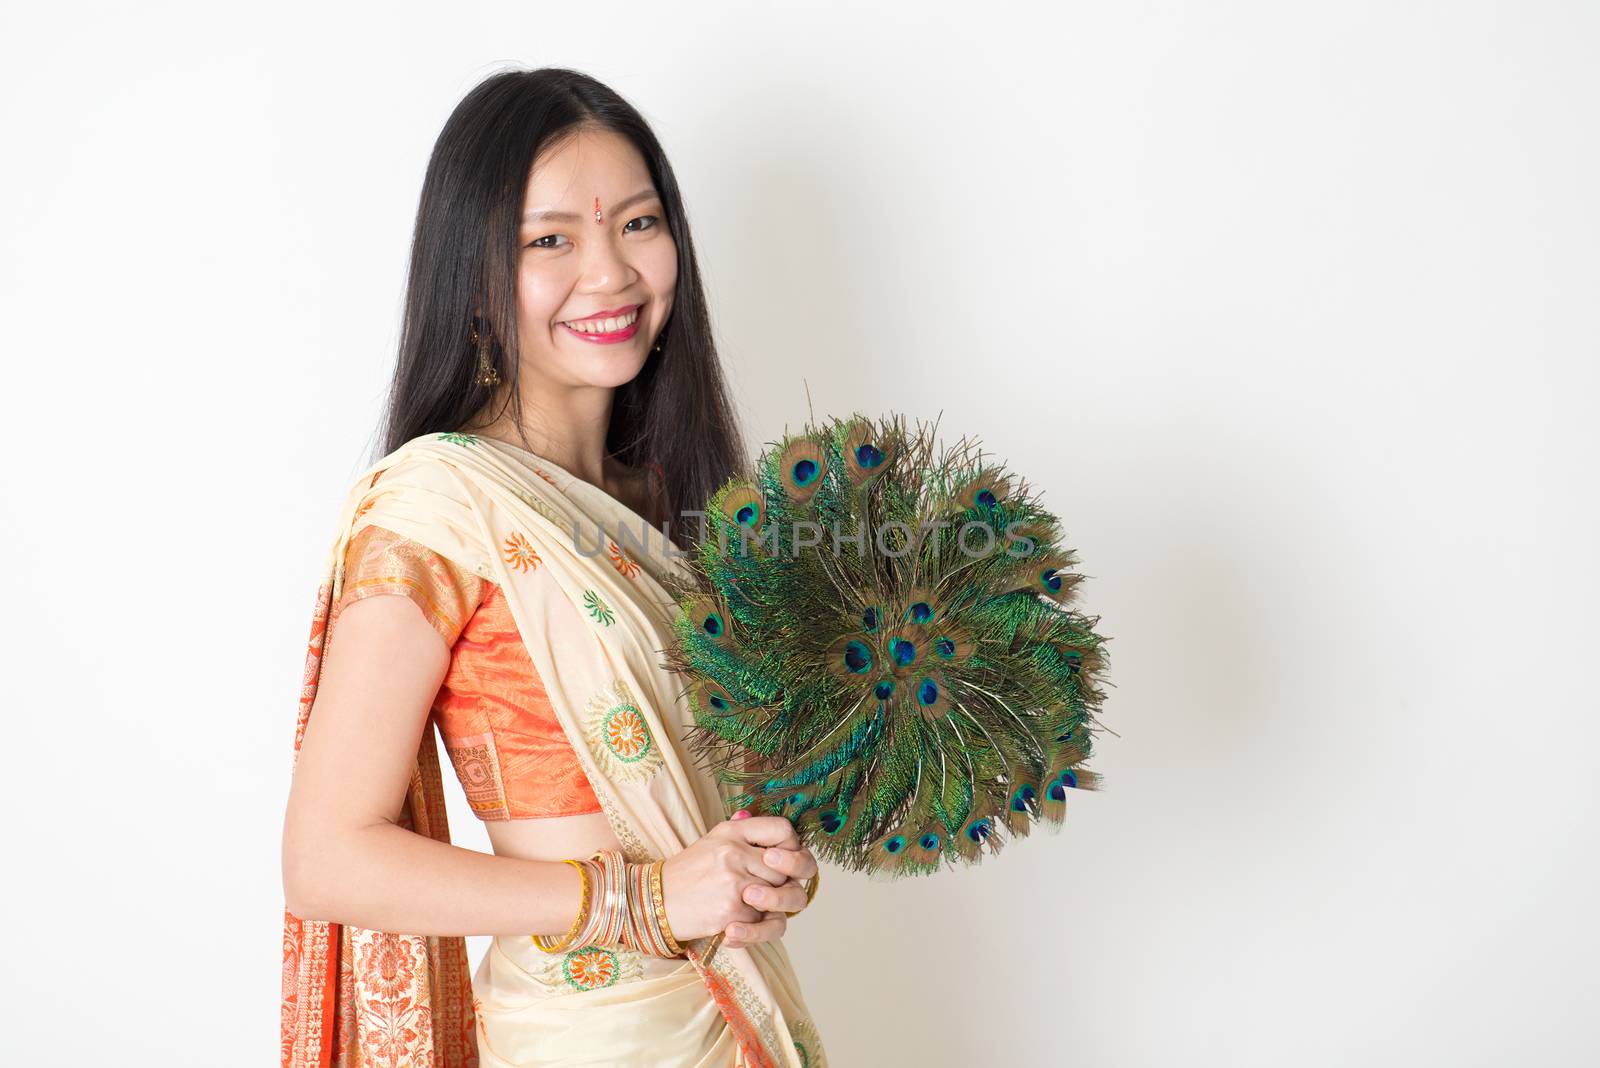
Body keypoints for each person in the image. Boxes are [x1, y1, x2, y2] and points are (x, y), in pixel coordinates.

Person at [279, 67, 829, 1068]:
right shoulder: (439, 507)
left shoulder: (674, 502)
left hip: (734, 1016)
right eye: (550, 241)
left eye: (638, 223)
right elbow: (324, 858)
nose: (611, 272)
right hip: (588, 1037)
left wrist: (761, 869)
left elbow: (699, 801)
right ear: (474, 273)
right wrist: (646, 896)